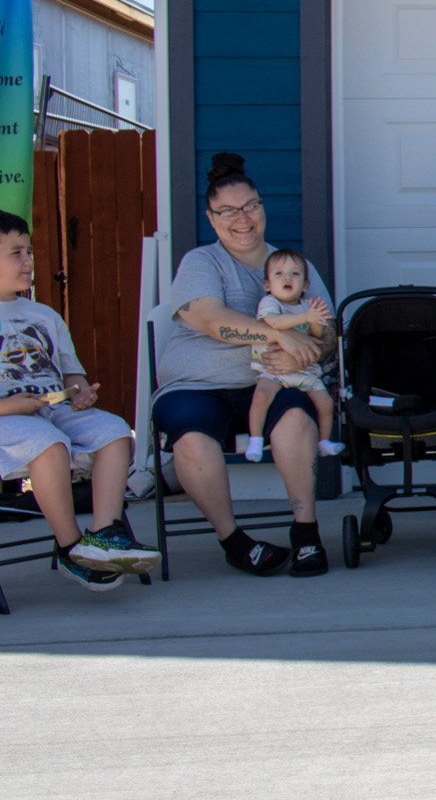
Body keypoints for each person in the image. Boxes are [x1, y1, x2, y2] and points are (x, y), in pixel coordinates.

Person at [154, 152, 336, 578]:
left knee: (296, 418)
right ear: (211, 218)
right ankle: (234, 541)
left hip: (274, 380)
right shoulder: (202, 262)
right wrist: (279, 334)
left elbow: (326, 333)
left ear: (262, 207)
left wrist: (310, 348)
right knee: (192, 437)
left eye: (251, 206)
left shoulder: (292, 265)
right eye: (229, 211)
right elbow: (210, 320)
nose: (243, 219)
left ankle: (306, 534)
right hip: (197, 384)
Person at [0, 211, 160, 589]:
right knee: (50, 444)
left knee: (116, 431)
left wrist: (82, 391)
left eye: (29, 251)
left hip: (54, 409)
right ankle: (71, 548)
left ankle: (104, 535)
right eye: (16, 252)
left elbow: (69, 372)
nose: (29, 261)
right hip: (8, 420)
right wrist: (10, 406)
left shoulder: (44, 315)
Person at [244, 248, 341, 462]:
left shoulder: (308, 306)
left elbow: (315, 337)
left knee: (325, 403)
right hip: (273, 369)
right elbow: (274, 323)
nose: (287, 277)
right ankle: (256, 440)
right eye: (279, 274)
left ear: (305, 285)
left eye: (295, 274)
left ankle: (324, 442)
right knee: (261, 397)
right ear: (267, 285)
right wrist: (306, 316)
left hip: (304, 369)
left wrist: (316, 322)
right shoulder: (270, 303)